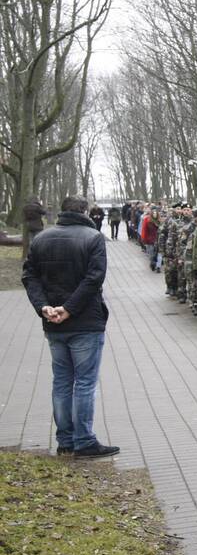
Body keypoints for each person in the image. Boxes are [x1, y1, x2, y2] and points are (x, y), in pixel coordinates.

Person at [21, 196, 117, 459]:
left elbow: (30, 276)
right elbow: (94, 278)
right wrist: (70, 308)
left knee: (62, 382)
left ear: (62, 211)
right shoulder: (93, 237)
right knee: (84, 383)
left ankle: (65, 439)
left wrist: (45, 307)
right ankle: (83, 440)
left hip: (54, 322)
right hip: (85, 321)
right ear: (85, 211)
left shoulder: (41, 239)